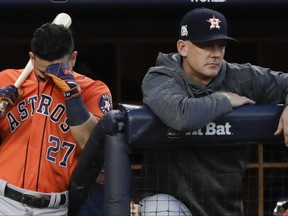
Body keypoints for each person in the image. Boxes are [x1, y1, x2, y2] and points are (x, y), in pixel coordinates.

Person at [138, 7, 288, 216]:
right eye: (206, 45)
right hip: (170, 203)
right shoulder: (161, 77)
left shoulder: (244, 77)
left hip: (224, 206)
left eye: (221, 45)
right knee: (159, 209)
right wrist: (224, 99)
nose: (216, 54)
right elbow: (181, 116)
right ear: (183, 48)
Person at [0, 22, 113, 215]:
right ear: (32, 58)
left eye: (58, 70)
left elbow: (91, 144)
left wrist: (72, 94)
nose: (51, 78)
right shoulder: (7, 80)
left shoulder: (93, 91)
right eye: (45, 72)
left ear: (73, 59)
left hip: (54, 207)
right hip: (3, 200)